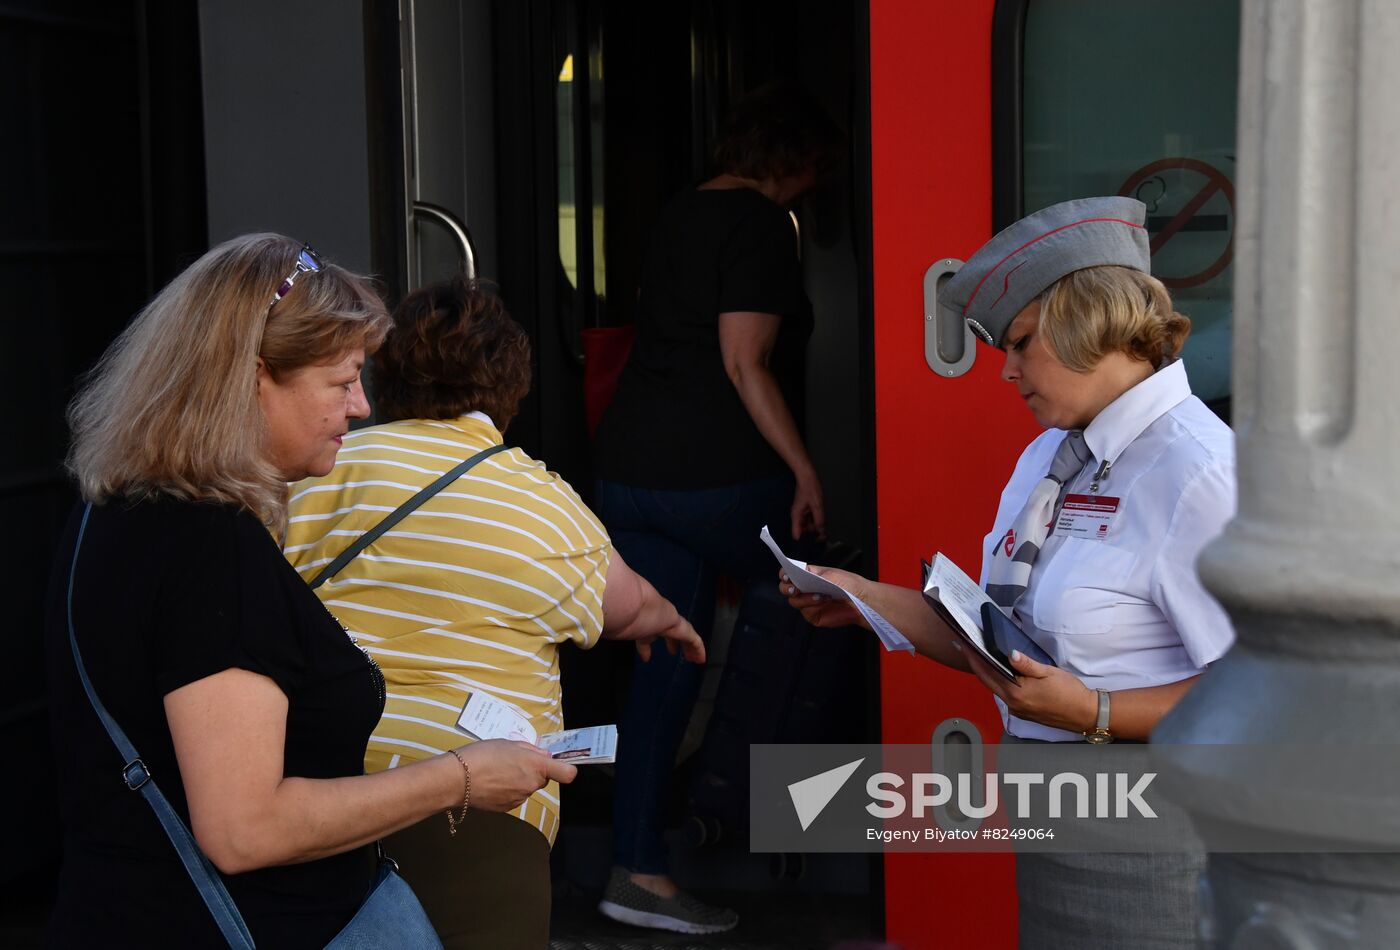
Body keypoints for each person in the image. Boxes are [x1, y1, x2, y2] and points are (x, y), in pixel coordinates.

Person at [45, 234, 576, 949]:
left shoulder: (111, 511)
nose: (360, 406)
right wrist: (458, 777)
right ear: (254, 377)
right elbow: (245, 829)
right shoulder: (210, 543)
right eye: (342, 380)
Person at [782, 196, 1235, 947]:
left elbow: (1261, 695)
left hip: (1161, 847)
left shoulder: (1198, 470)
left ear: (1087, 322)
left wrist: (1094, 712)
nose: (1006, 372)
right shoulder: (1050, 458)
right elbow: (1006, 641)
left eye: (1021, 343)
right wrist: (865, 599)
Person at [282, 275, 705, 950]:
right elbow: (626, 607)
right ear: (512, 389)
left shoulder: (320, 471)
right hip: (476, 812)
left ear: (383, 380)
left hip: (314, 798)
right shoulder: (543, 503)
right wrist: (670, 622)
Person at [589, 79, 844, 934]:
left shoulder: (676, 213)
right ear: (797, 162)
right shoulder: (763, 224)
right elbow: (745, 363)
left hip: (630, 468)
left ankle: (638, 872)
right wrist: (804, 470)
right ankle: (779, 817)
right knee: (845, 595)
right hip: (715, 475)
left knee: (667, 659)